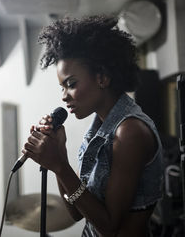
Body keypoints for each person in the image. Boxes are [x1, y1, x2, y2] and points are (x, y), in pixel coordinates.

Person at [22, 15, 163, 237]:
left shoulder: (130, 132)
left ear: (102, 78)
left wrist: (59, 166)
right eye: (62, 87)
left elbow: (108, 227)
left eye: (71, 84)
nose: (64, 97)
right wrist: (60, 151)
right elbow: (76, 212)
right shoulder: (100, 127)